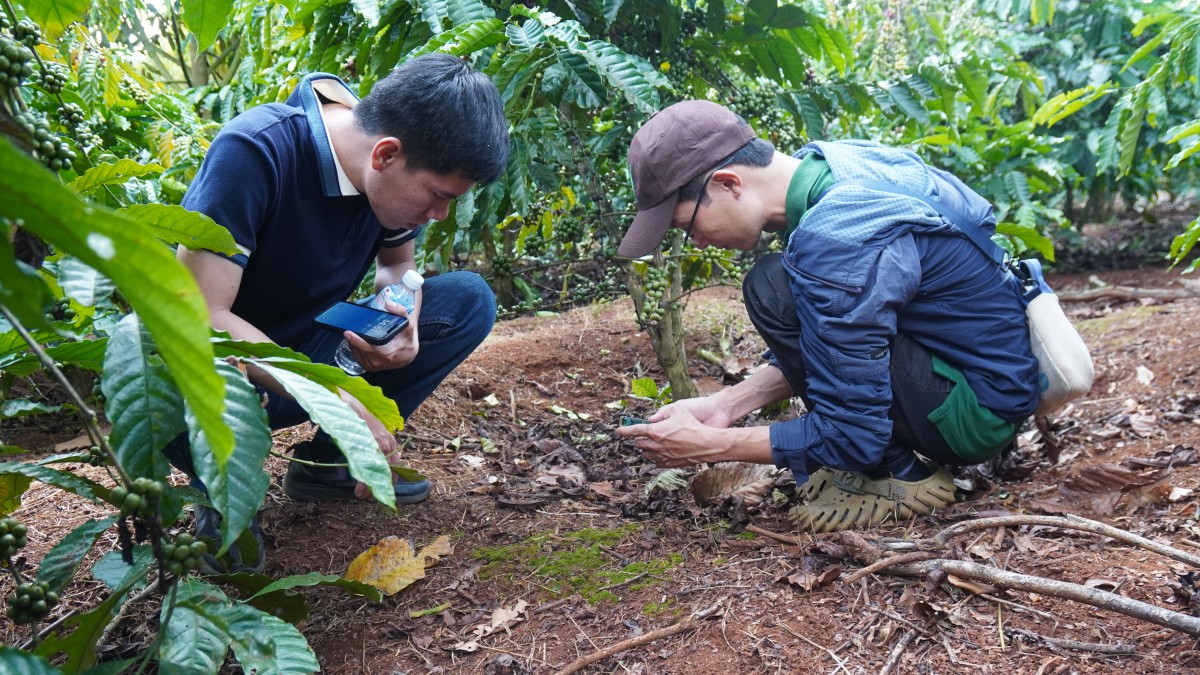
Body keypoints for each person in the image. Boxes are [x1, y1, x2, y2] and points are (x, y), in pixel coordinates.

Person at [614, 100, 1039, 533]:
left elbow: (853, 432)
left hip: (971, 418)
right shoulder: (837, 165)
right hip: (987, 382)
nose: (698, 243)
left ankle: (899, 477)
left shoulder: (835, 237)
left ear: (728, 183)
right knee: (782, 287)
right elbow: (842, 337)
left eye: (688, 226)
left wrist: (715, 446)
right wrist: (723, 405)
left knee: (772, 288)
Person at [170, 54, 509, 572]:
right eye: (438, 196)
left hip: (313, 350)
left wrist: (402, 320)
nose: (440, 215)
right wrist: (337, 402)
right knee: (187, 368)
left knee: (467, 299)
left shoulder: (387, 179)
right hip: (222, 372)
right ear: (386, 155)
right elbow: (197, 314)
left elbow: (399, 266)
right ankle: (223, 497)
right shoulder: (256, 153)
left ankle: (325, 465)